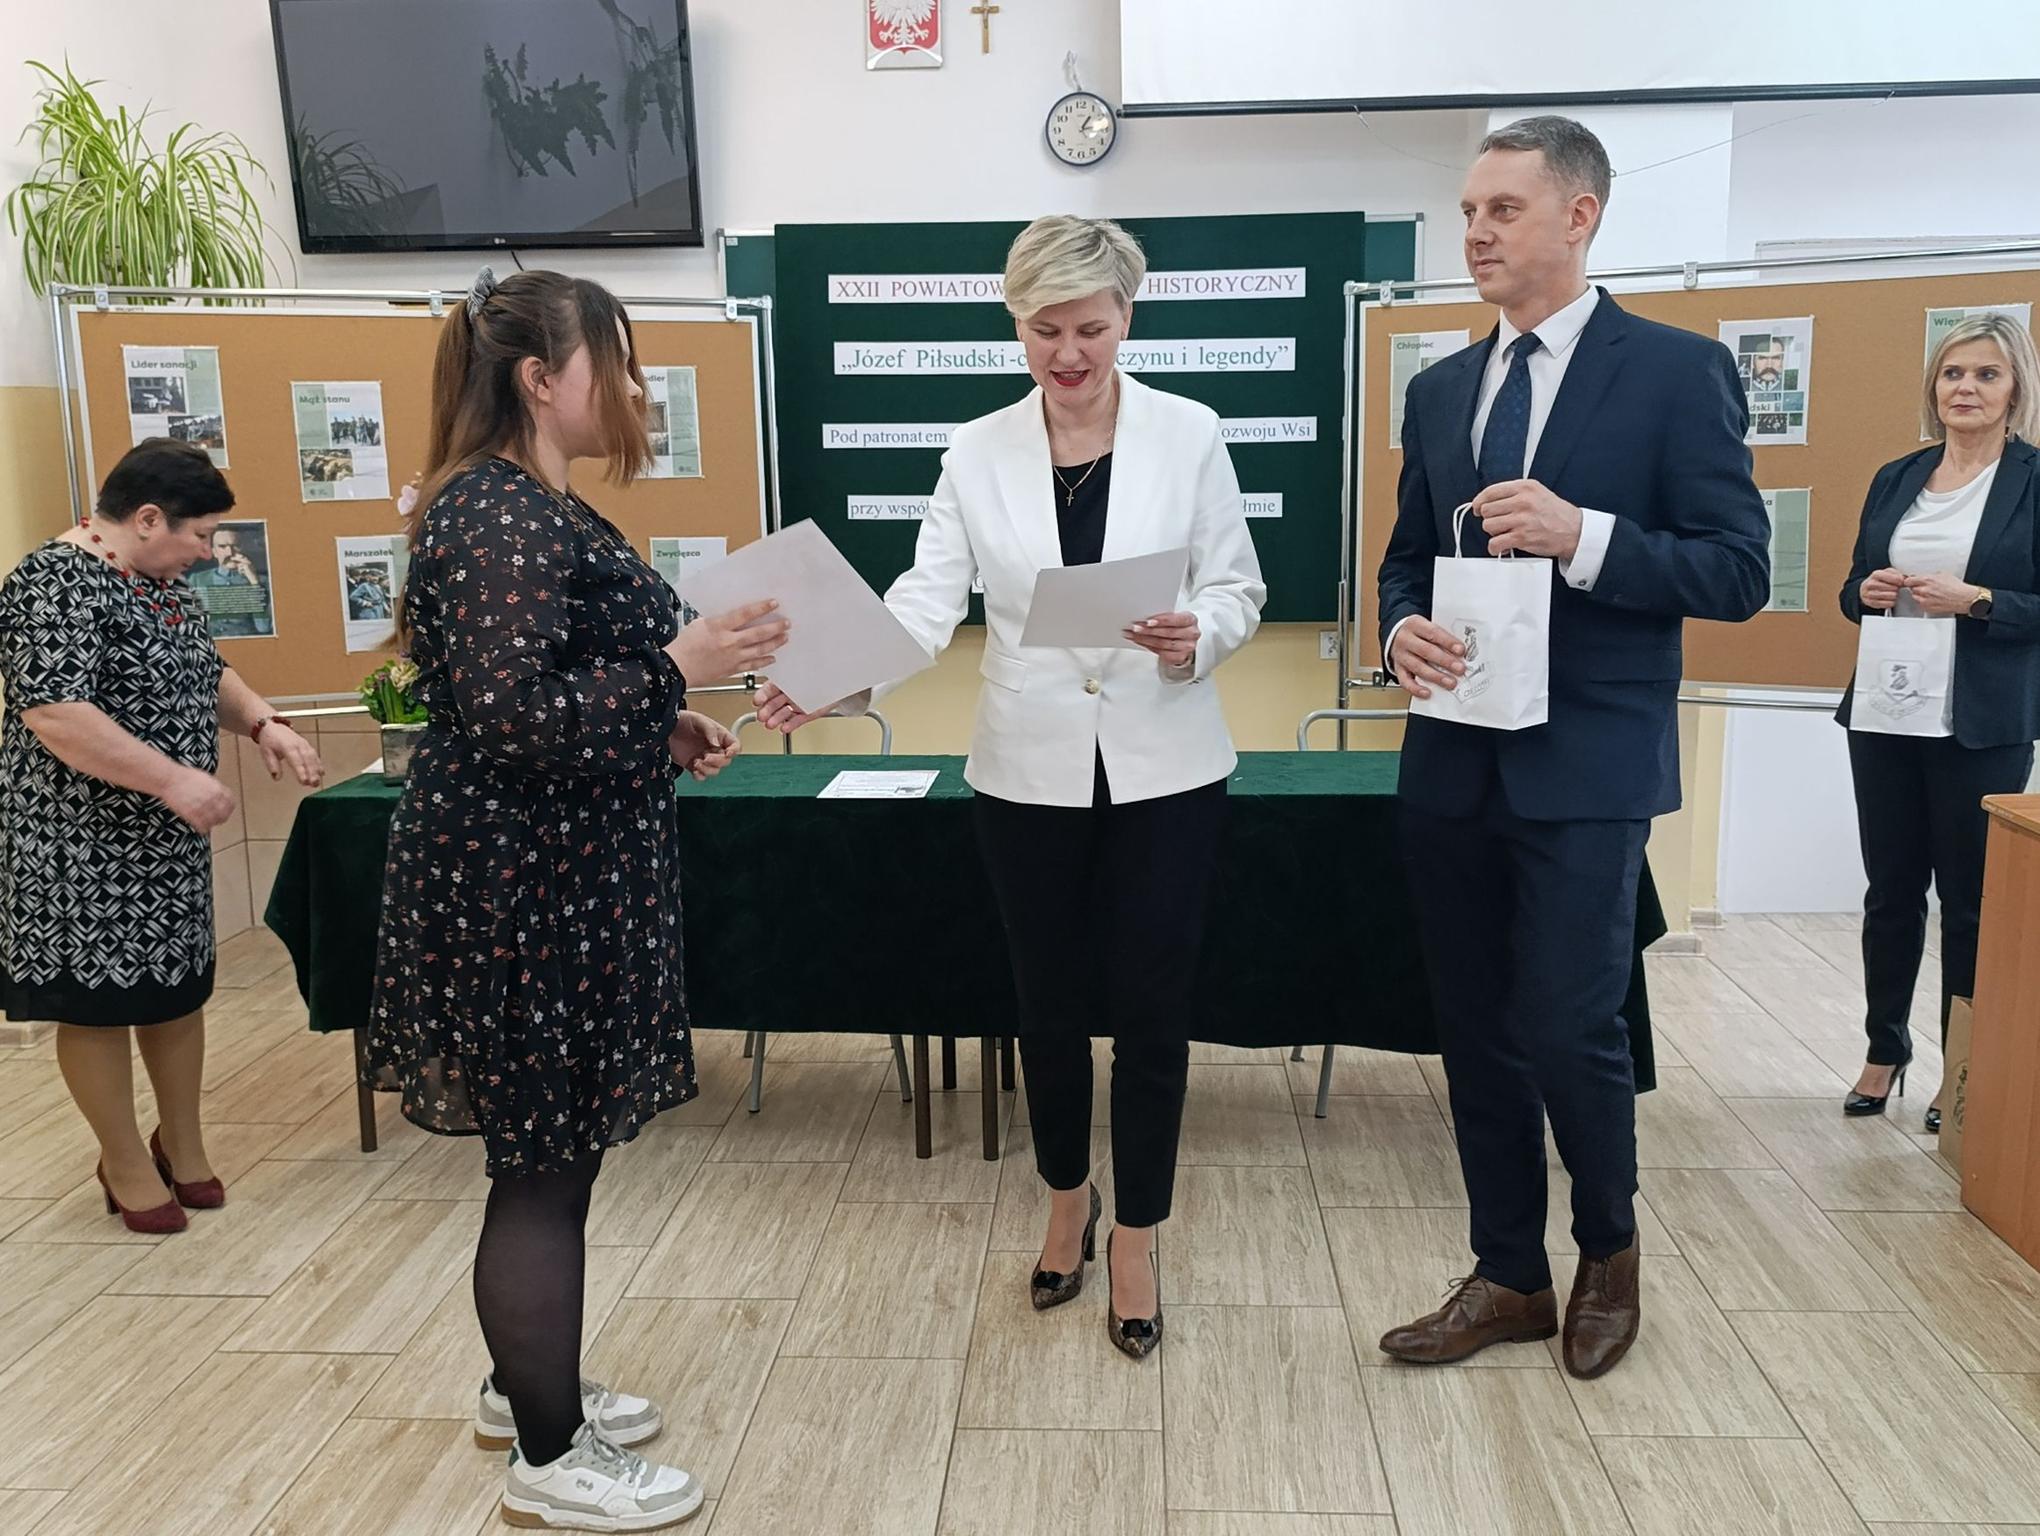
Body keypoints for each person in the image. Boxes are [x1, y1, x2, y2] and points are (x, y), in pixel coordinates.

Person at [755, 216, 1266, 1361]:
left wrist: (1200, 632)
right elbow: (924, 602)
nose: (1068, 353)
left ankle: (1137, 1236)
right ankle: (1067, 1202)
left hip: (1168, 766)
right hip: (1026, 769)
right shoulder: (975, 450)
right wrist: (831, 678)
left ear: (1127, 318)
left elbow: (1239, 585)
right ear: (1016, 324)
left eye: (1089, 328)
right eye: (1045, 330)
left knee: (1154, 1014)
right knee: (1047, 1006)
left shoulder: (1189, 433)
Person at [365, 267, 785, 1532]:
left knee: (557, 1161)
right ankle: (549, 1458)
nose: (639, 385)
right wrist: (673, 667)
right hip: (524, 891)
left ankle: (524, 1385)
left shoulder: (528, 502)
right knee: (542, 1169)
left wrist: (664, 718)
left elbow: (549, 688)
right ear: (542, 379)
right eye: (618, 359)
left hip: (559, 872)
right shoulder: (494, 511)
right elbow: (509, 715)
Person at [1374, 117, 1769, 1378]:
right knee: (1473, 1026)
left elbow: (1739, 572)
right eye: (1467, 211)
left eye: (1502, 209)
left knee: (1567, 1019)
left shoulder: (1675, 373)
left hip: (1589, 762)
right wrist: (1398, 632)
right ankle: (1508, 1273)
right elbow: (1404, 561)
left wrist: (1583, 535)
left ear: (1580, 216)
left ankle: (1610, 1251)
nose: (1475, 233)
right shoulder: (1443, 389)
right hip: (1453, 758)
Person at [0, 439, 325, 1233]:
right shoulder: (51, 583)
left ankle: (182, 1143)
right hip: (75, 844)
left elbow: (205, 669)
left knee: (176, 992)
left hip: (162, 843)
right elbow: (56, 713)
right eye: (200, 535)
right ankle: (123, 1160)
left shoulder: (160, 583)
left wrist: (264, 722)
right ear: (148, 518)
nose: (208, 553)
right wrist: (174, 780)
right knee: (96, 1004)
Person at [1837, 311, 2040, 1130]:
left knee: (1970, 901)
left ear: (2015, 389)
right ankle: (1883, 1050)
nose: (1966, 388)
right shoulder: (1899, 477)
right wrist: (1867, 591)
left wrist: (1979, 600)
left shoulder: (2033, 479)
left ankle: (1963, 1070)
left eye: (1986, 374)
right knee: (1890, 891)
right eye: (1953, 373)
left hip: (1981, 722)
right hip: (1888, 710)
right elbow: (1853, 587)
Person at [189, 525, 269, 638]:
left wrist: (254, 582)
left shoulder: (261, 581)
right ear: (214, 552)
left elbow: (264, 627)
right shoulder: (196, 580)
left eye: (235, 546)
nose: (230, 553)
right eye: (222, 546)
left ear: (243, 548)